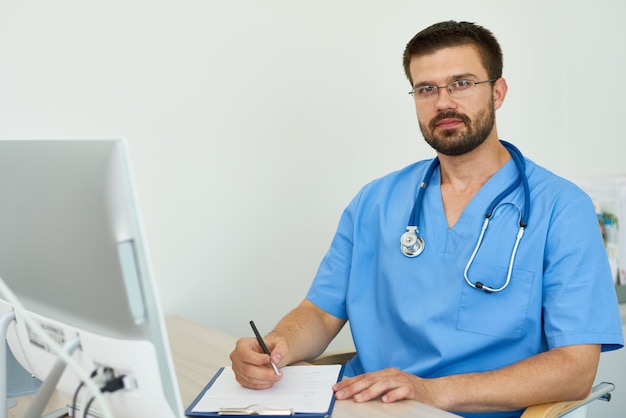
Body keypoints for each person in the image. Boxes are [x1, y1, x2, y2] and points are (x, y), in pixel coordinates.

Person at [229, 20, 624, 418]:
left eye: (462, 83)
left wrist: (431, 391)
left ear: (498, 92)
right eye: (426, 89)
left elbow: (575, 368)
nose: (443, 102)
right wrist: (275, 348)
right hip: (364, 407)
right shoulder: (376, 201)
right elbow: (318, 313)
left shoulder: (561, 208)